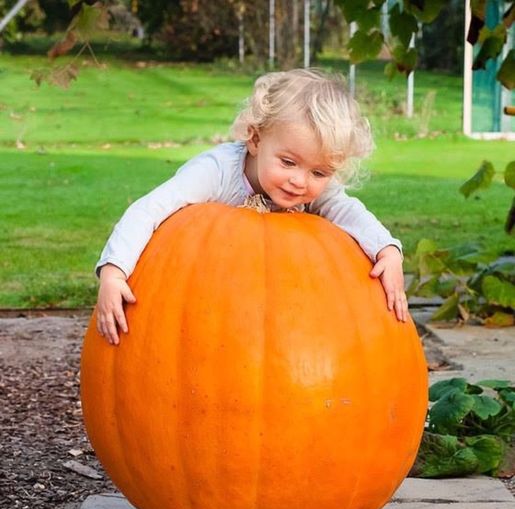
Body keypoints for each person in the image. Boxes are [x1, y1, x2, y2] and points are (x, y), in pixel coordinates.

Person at [96, 68, 408, 345]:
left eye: (319, 172)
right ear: (255, 140)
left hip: (279, 306)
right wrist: (114, 271)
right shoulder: (215, 172)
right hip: (210, 293)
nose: (300, 181)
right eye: (288, 162)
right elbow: (149, 209)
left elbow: (347, 210)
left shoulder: (313, 186)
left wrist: (387, 249)